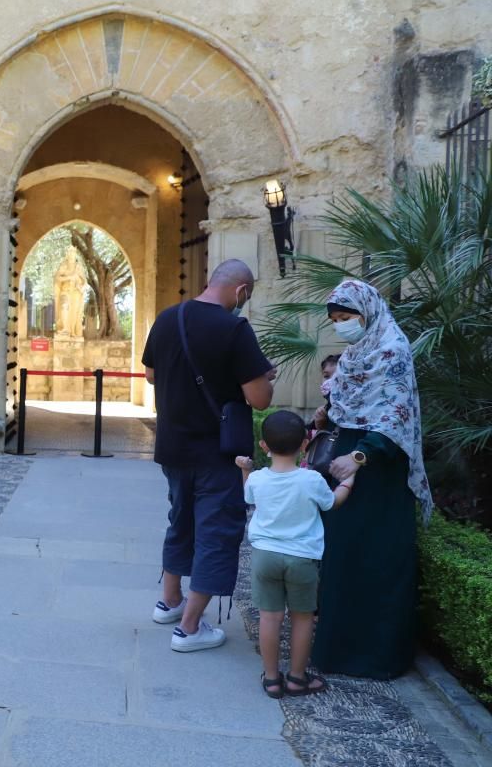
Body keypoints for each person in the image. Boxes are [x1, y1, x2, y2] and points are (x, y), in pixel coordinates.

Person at [141, 259, 275, 652]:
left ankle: (169, 601)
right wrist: (263, 376)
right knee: (217, 532)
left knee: (180, 520)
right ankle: (190, 627)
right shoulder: (235, 328)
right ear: (241, 291)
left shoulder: (168, 318)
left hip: (172, 445)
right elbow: (259, 399)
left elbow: (150, 374)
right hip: (218, 453)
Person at [313, 279, 431, 679]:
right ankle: (334, 651)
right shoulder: (352, 353)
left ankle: (377, 658)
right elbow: (345, 403)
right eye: (336, 319)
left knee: (377, 560)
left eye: (347, 317)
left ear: (368, 311)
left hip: (377, 470)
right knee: (342, 555)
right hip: (345, 465)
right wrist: (326, 413)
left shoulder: (393, 350)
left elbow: (395, 415)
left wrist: (360, 456)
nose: (342, 325)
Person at [235, 411, 355, 699]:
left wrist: (245, 470)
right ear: (305, 444)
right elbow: (333, 503)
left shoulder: (258, 479)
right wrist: (349, 480)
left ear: (263, 445)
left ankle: (273, 679)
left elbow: (248, 497)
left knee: (270, 617)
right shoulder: (311, 480)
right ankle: (298, 678)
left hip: (265, 556)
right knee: (302, 618)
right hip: (302, 558)